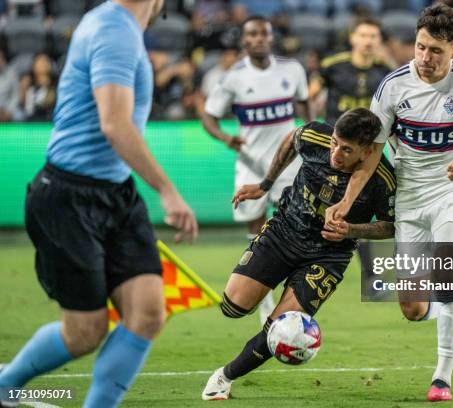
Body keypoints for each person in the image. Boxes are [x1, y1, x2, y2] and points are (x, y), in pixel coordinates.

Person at [0, 1, 198, 407]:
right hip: (67, 197)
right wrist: (166, 189)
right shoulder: (113, 30)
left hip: (116, 193)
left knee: (146, 314)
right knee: (84, 334)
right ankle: (7, 385)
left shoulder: (120, 26)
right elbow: (115, 124)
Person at [325, 4, 453, 402]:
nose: (425, 58)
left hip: (452, 191)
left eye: (436, 51)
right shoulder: (392, 86)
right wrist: (346, 201)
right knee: (411, 307)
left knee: (447, 270)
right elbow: (372, 154)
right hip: (408, 196)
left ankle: (442, 378)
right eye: (421, 47)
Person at [201, 108, 396, 400]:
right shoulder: (315, 135)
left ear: (367, 151)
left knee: (280, 330)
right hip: (284, 232)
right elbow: (291, 140)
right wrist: (265, 185)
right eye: (334, 143)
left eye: (346, 149)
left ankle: (224, 377)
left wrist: (352, 231)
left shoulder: (383, 179)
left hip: (328, 257)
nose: (335, 153)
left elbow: (390, 226)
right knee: (233, 307)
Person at [202, 15, 311, 325]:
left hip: (289, 162)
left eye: (264, 32)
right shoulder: (233, 77)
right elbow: (208, 116)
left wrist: (312, 131)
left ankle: (293, 289)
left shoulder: (292, 69)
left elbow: (305, 106)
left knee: (294, 223)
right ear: (245, 41)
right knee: (256, 232)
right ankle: (264, 299)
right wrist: (225, 137)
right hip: (251, 163)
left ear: (271, 37)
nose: (259, 38)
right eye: (253, 34)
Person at [309, 17, 391, 295]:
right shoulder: (333, 66)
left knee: (360, 216)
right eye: (364, 34)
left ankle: (370, 279)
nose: (368, 40)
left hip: (368, 156)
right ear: (353, 38)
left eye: (374, 36)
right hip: (334, 155)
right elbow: (308, 97)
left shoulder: (386, 72)